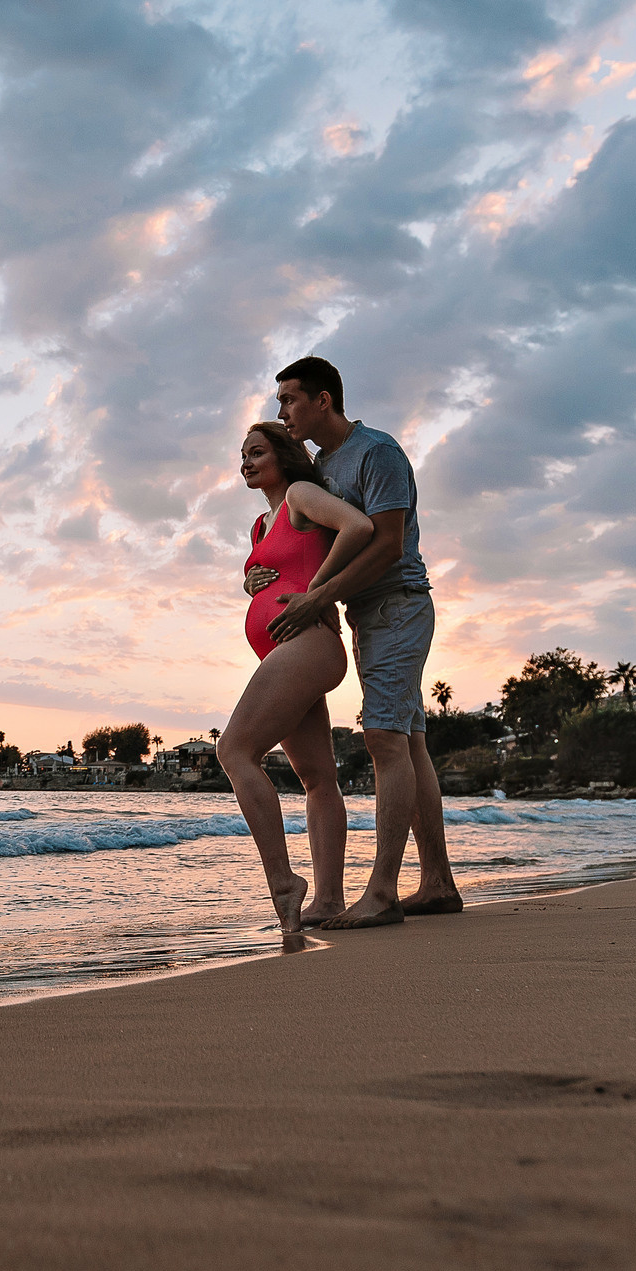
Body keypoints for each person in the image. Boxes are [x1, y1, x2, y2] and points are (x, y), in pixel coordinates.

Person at [248, 355, 460, 928]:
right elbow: (306, 541)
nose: (282, 411)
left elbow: (387, 542)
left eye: (290, 399)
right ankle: (438, 883)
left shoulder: (376, 452)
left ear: (323, 400)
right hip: (364, 613)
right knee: (410, 743)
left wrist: (317, 596)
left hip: (399, 604)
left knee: (384, 737)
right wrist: (262, 575)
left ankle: (382, 892)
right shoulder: (319, 467)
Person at [216, 421, 375, 934]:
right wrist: (250, 583)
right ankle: (328, 899)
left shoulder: (301, 496)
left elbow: (358, 527)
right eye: (243, 455)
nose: (246, 462)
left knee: (234, 750)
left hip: (309, 643)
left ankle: (283, 882)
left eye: (257, 452)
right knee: (317, 778)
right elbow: (279, 568)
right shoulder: (259, 526)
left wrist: (317, 592)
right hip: (284, 651)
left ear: (283, 455)